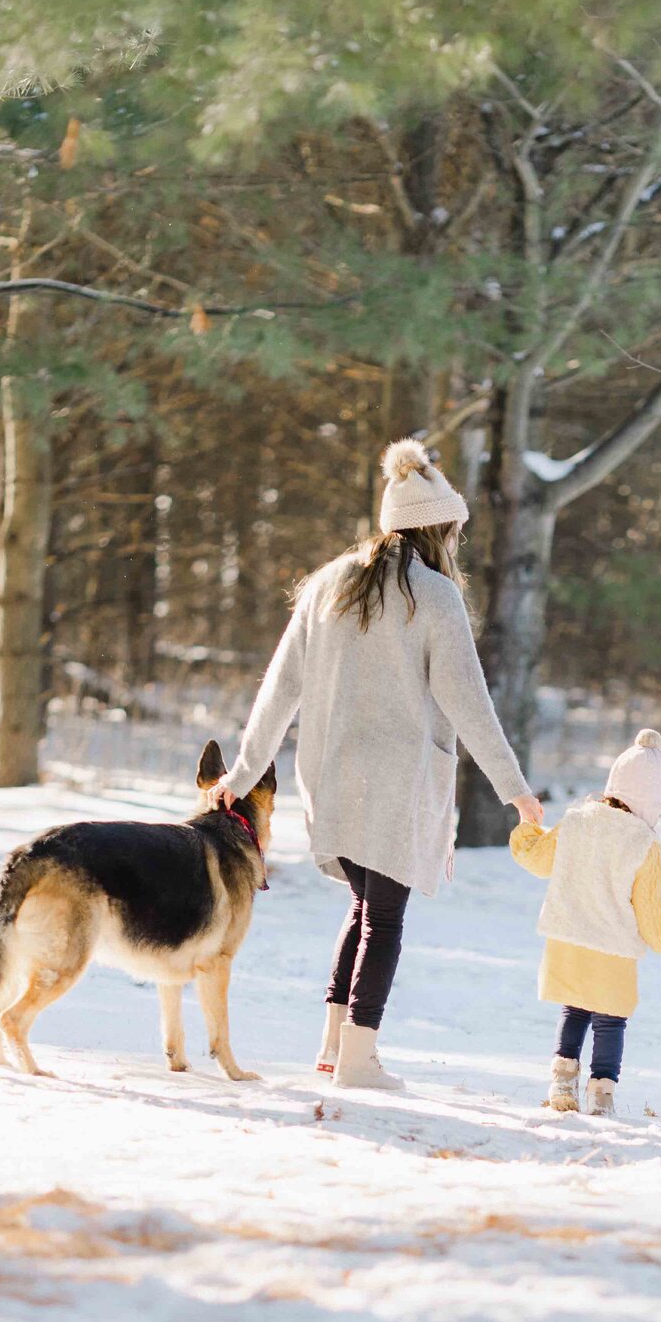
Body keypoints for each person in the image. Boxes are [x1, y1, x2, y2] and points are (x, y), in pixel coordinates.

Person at [207, 438, 542, 1090]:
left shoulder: (330, 585)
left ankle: (335, 1048)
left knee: (365, 910)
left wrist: (242, 774)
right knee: (383, 918)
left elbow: (279, 689)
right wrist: (517, 791)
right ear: (438, 528)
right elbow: (470, 705)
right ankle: (359, 1060)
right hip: (396, 785)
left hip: (330, 776)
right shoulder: (435, 597)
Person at [510, 729, 661, 1116]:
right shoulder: (644, 842)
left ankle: (563, 1082)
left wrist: (527, 828)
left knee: (574, 1010)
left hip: (568, 938)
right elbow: (651, 906)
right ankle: (602, 1093)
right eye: (660, 808)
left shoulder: (578, 821)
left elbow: (539, 859)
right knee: (611, 1021)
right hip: (613, 946)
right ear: (649, 802)